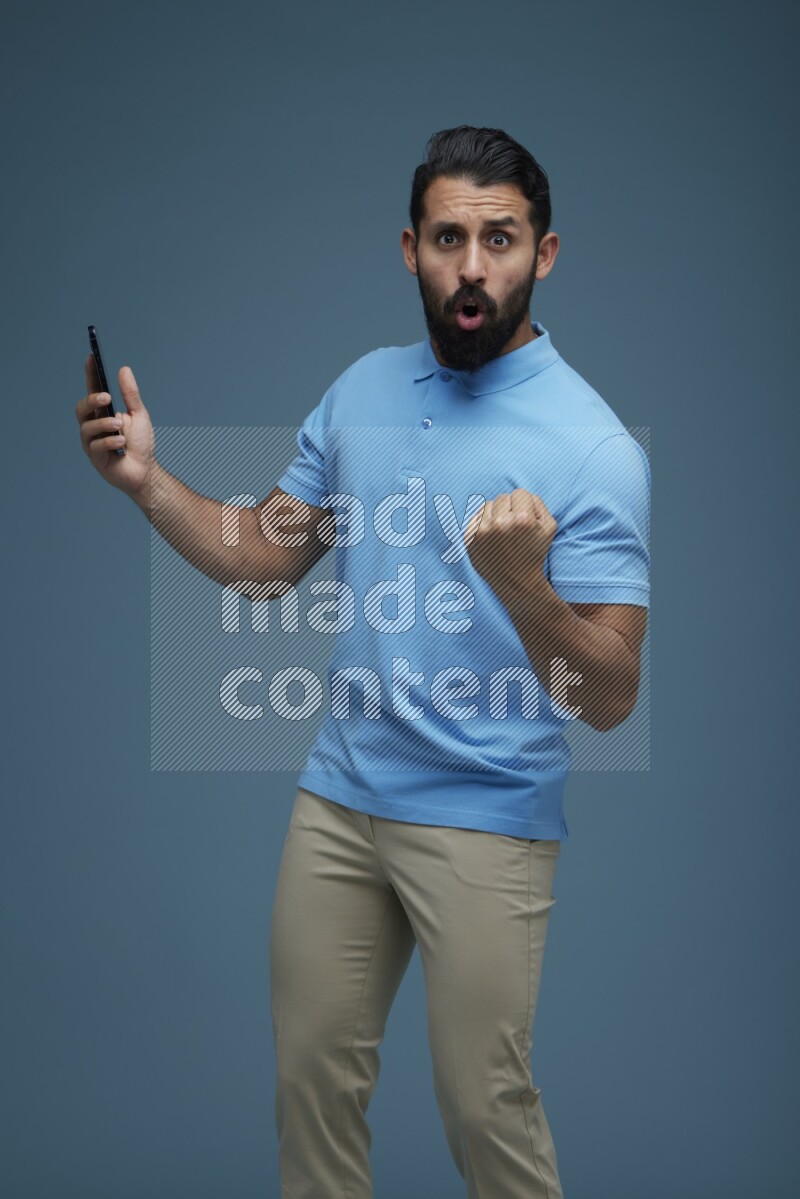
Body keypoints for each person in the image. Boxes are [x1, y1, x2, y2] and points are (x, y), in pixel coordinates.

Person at [76, 125, 650, 1199]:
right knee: (309, 1093)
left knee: (485, 1111)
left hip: (484, 815)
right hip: (337, 807)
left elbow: (606, 697)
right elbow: (263, 562)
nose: (471, 266)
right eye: (447, 238)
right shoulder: (361, 391)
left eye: (499, 238)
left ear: (545, 253)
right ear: (408, 248)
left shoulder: (592, 447)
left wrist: (522, 586)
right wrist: (149, 482)